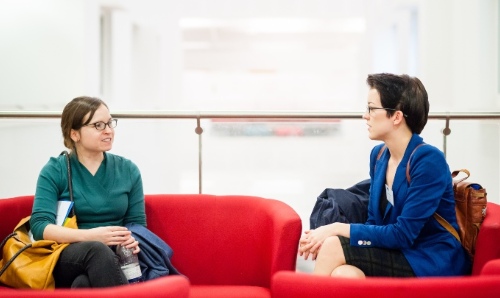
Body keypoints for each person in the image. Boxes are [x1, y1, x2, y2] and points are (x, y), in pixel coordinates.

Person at [298, 73, 471, 278]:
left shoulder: (428, 161)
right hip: (397, 251)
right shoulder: (379, 155)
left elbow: (403, 234)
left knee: (333, 246)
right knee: (345, 274)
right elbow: (374, 222)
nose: (365, 115)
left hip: (430, 260)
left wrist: (336, 228)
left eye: (372, 108)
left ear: (396, 116)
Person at [30, 96, 146, 288]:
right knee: (97, 250)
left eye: (109, 123)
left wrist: (132, 240)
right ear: (75, 134)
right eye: (98, 125)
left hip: (117, 256)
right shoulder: (54, 170)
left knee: (83, 284)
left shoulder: (128, 169)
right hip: (69, 253)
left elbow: (138, 225)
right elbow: (40, 226)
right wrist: (91, 236)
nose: (108, 130)